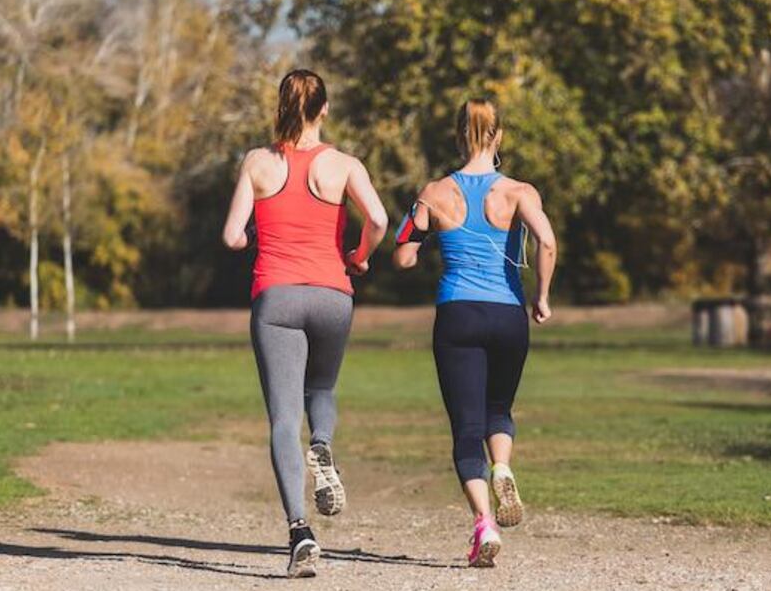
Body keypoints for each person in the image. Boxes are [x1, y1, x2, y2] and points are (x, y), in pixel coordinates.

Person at [222, 69, 388, 578]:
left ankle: (299, 532)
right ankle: (324, 445)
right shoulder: (343, 165)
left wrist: (254, 236)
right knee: (323, 387)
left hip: (276, 298)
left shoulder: (257, 162)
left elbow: (231, 236)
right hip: (332, 293)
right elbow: (379, 220)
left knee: (280, 419)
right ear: (325, 108)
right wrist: (358, 256)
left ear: (281, 107)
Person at [393, 98, 557, 567]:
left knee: (466, 429)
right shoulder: (521, 192)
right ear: (498, 136)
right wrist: (541, 296)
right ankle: (503, 467)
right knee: (498, 409)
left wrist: (419, 223)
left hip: (458, 315)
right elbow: (546, 240)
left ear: (459, 136)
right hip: (508, 315)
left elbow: (404, 256)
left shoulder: (435, 192)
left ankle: (485, 523)